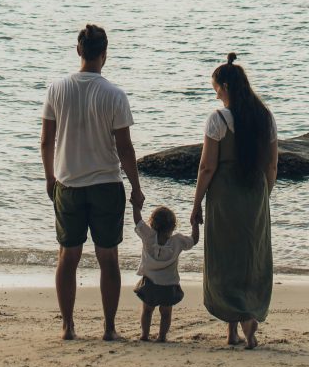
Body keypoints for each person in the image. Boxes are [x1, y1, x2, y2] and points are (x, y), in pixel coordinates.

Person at [40, 24, 145, 341]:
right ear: (104, 54)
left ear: (78, 51)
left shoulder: (57, 89)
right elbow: (125, 148)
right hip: (105, 185)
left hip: (68, 183)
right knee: (108, 258)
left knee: (67, 256)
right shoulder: (113, 94)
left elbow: (47, 140)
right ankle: (109, 327)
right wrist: (137, 187)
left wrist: (49, 177)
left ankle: (68, 326)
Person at [191, 53, 278, 349]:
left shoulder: (218, 120)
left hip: (224, 196)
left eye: (215, 87)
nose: (215, 92)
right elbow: (271, 166)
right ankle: (248, 320)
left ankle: (232, 330)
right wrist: (265, 194)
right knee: (251, 257)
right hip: (255, 193)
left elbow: (207, 166)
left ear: (225, 85)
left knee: (225, 258)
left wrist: (195, 204)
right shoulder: (265, 117)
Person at [132, 204, 198, 342]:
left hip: (150, 284)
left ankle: (144, 335)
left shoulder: (148, 237)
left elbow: (138, 221)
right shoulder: (178, 241)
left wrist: (136, 206)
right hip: (169, 286)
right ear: (173, 226)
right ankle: (162, 336)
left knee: (147, 311)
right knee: (166, 313)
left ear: (152, 223)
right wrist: (195, 223)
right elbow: (194, 240)